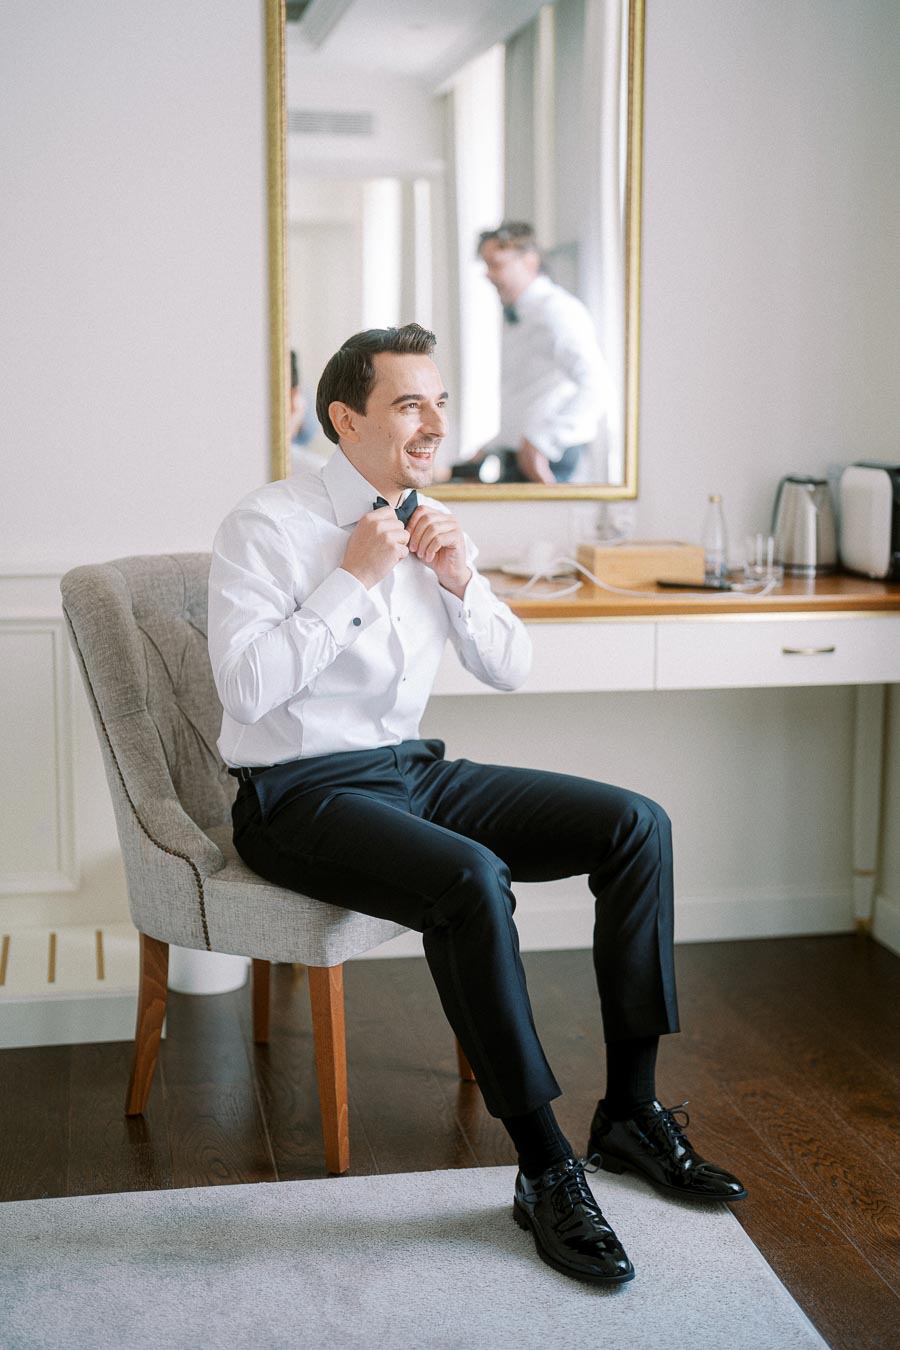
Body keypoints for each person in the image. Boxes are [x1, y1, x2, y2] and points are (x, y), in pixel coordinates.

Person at [208, 323, 746, 1287]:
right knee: (470, 877)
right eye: (409, 403)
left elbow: (509, 667)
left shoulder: (432, 517)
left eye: (440, 402)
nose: (433, 422)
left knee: (636, 824)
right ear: (346, 418)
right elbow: (246, 690)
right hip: (295, 794)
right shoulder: (268, 525)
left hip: (407, 771)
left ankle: (629, 1110)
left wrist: (461, 581)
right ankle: (544, 1169)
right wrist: (352, 582)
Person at [462, 221, 609, 485]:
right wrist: (492, 445)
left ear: (529, 262)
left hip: (548, 462)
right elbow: (529, 393)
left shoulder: (557, 312)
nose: (488, 275)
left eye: (496, 264)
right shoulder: (518, 315)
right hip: (517, 458)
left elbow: (595, 385)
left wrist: (541, 443)